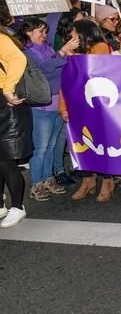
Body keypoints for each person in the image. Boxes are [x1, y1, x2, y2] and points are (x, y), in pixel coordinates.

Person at [18, 18, 79, 201]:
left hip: (57, 102)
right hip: (41, 106)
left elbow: (58, 68)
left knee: (51, 145)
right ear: (29, 32)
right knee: (41, 147)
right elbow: (45, 69)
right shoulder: (27, 52)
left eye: (45, 31)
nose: (44, 35)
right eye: (40, 31)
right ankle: (36, 183)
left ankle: (47, 179)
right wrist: (62, 52)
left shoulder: (47, 49)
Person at [60, 20, 115, 202]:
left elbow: (94, 72)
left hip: (97, 105)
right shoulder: (72, 52)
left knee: (101, 141)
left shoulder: (100, 47)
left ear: (84, 33)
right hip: (77, 104)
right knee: (82, 142)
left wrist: (72, 56)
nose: (71, 35)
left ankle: (107, 181)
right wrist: (63, 106)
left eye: (75, 32)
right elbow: (66, 83)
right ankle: (88, 180)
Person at [0, 27, 31, 227]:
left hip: (6, 103)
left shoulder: (1, 39)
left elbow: (19, 60)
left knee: (6, 160)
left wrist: (8, 89)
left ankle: (18, 206)